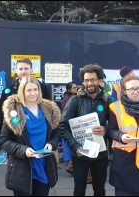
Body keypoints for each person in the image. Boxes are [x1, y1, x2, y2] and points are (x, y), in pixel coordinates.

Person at [0, 75, 61, 196]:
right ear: (22, 91)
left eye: (35, 89)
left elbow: (55, 133)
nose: (33, 93)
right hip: (22, 168)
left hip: (44, 166)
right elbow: (4, 140)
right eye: (29, 90)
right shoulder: (14, 111)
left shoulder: (48, 109)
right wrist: (23, 150)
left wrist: (52, 144)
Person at [59, 64, 112, 196]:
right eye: (86, 80)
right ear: (83, 81)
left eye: (93, 79)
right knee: (79, 188)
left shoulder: (107, 101)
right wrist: (75, 146)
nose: (89, 83)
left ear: (100, 80)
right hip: (80, 153)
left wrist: (106, 130)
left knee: (100, 189)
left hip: (100, 153)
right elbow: (63, 126)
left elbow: (115, 126)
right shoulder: (74, 100)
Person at [0, 58, 50, 131]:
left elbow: (48, 111)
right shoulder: (8, 91)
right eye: (20, 69)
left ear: (31, 70)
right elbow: (1, 115)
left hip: (39, 130)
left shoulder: (42, 88)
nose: (23, 72)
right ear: (16, 71)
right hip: (15, 133)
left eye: (26, 69)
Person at [61, 82, 77, 175]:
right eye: (74, 88)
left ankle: (69, 163)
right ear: (69, 90)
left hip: (71, 124)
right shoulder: (67, 100)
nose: (76, 89)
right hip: (68, 124)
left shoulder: (72, 97)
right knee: (66, 143)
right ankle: (68, 163)